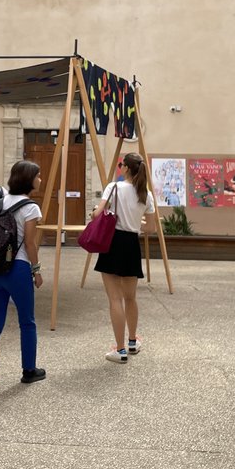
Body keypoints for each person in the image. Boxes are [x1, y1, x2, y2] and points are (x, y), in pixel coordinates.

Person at [0, 160, 46, 392]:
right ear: (28, 179)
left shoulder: (1, 202)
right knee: (27, 321)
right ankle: (28, 370)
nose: (40, 180)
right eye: (38, 176)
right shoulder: (31, 207)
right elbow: (30, 243)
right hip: (18, 268)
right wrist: (36, 270)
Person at [92, 152, 157, 362]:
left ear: (126, 168)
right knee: (130, 297)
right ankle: (131, 342)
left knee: (114, 298)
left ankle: (119, 350)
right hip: (131, 244)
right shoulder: (145, 194)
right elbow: (151, 228)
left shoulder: (114, 187)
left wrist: (95, 211)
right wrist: (136, 222)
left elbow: (97, 214)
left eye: (122, 165)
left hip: (112, 242)